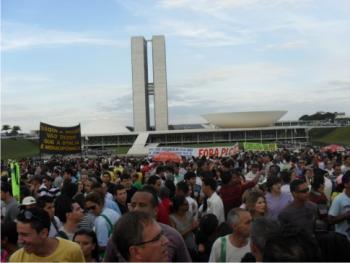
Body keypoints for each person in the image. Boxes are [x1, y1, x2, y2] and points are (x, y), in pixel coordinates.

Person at [104, 187, 192, 262]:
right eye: (133, 205)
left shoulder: (173, 235)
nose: (136, 209)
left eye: (142, 205)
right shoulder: (118, 236)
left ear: (155, 210)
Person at [9, 207, 85, 262]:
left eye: (25, 235)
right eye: (18, 234)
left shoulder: (72, 251)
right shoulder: (16, 259)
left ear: (43, 233)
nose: (20, 240)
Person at [328, 170, 350, 240]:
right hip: (344, 240)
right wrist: (346, 215)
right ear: (346, 184)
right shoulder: (338, 199)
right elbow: (330, 220)